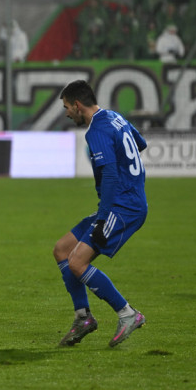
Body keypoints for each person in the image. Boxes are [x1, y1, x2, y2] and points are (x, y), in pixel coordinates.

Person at [55, 79, 148, 348]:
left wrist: (103, 218)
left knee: (77, 263)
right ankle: (83, 317)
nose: (66, 113)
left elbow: (109, 174)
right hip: (123, 201)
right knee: (62, 250)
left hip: (123, 207)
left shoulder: (95, 130)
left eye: (67, 107)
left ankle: (127, 314)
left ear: (77, 105)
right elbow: (140, 143)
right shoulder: (114, 117)